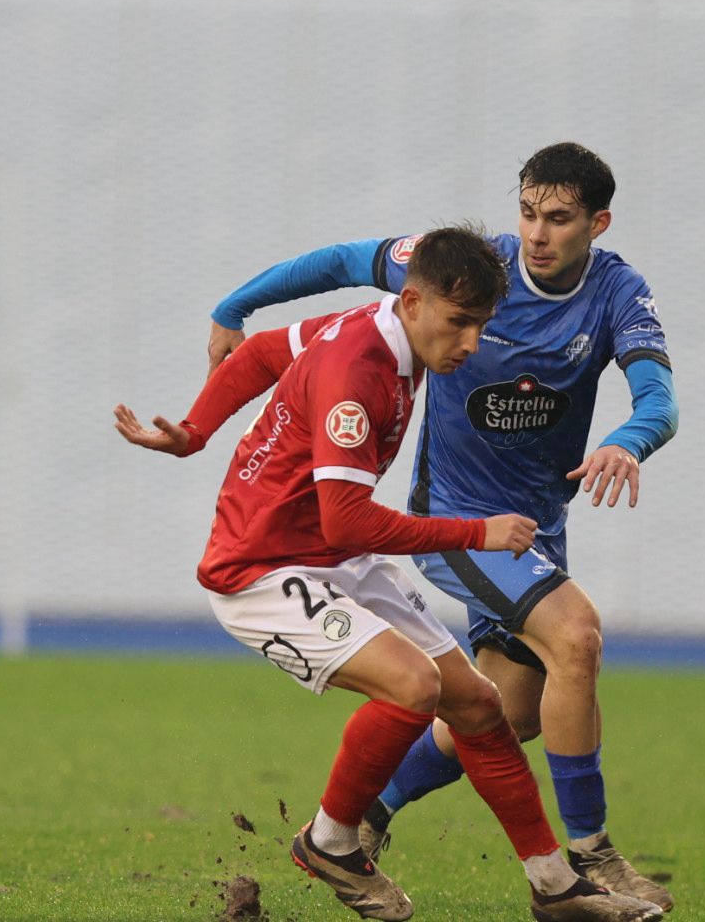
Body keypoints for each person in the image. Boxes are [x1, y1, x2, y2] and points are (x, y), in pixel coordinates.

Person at [116, 225, 660, 922]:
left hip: (330, 556)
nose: (471, 344)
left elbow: (262, 352)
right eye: (459, 323)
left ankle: (555, 885)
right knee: (415, 685)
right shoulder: (358, 372)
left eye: (481, 324)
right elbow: (347, 520)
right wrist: (478, 532)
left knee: (479, 704)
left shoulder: (377, 327)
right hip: (260, 569)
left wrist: (194, 433)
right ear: (412, 303)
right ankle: (330, 842)